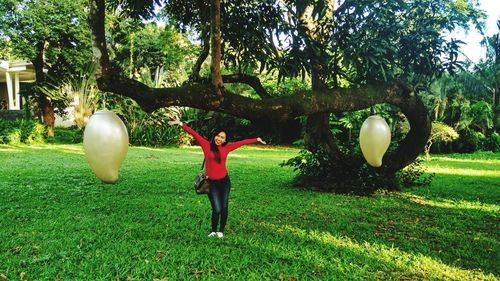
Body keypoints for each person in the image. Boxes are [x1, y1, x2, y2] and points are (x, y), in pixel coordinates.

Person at [168, 117, 266, 238]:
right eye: (218, 136)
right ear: (215, 135)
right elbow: (194, 133)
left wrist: (256, 139)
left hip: (224, 182)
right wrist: (180, 123)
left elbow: (241, 143)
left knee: (224, 207)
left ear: (225, 140)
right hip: (211, 183)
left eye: (222, 137)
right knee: (217, 208)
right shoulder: (206, 145)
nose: (219, 139)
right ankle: (213, 230)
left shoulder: (227, 148)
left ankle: (221, 231)